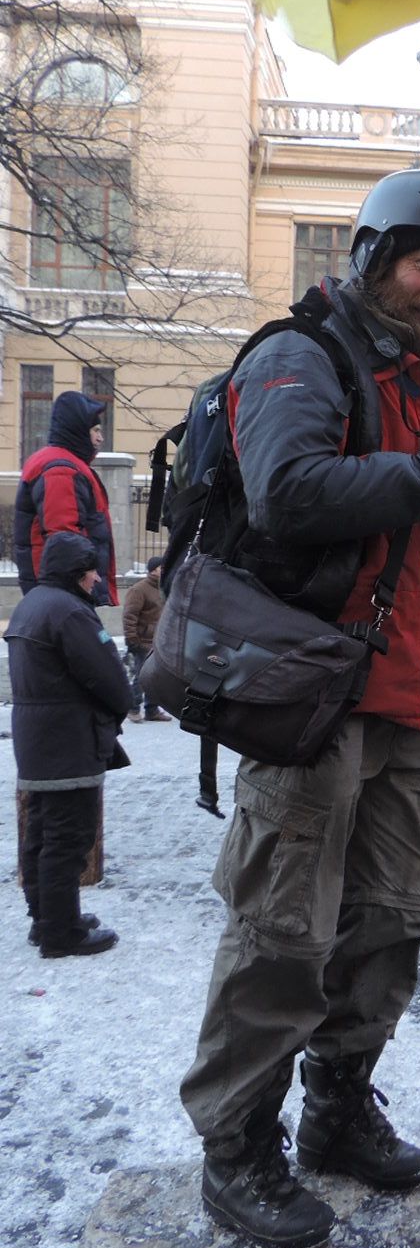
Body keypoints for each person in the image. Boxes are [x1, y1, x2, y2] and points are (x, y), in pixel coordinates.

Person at [179, 169, 420, 1248]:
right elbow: (290, 492)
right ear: (373, 257)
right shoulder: (305, 356)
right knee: (282, 929)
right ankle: (238, 1146)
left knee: (391, 918)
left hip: (409, 702)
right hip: (310, 700)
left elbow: (418, 541)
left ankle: (339, 1110)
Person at [5, 531, 131, 958]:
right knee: (69, 835)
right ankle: (62, 933)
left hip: (38, 737)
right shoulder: (69, 612)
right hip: (67, 737)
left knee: (41, 832)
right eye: (93, 570)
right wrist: (124, 702)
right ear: (79, 573)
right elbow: (105, 675)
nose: (98, 577)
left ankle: (47, 919)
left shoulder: (32, 604)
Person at [15, 391, 118, 605]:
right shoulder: (61, 469)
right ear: (79, 429)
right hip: (65, 593)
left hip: (59, 592)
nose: (100, 438)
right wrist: (80, 584)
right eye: (96, 430)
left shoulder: (61, 463)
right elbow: (65, 540)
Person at [122, 555, 171, 722]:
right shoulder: (139, 589)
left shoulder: (164, 588)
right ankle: (133, 707)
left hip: (158, 642)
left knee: (155, 677)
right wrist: (132, 639)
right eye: (160, 568)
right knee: (140, 677)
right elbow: (129, 615)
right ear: (152, 570)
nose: (163, 570)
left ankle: (152, 709)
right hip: (142, 641)